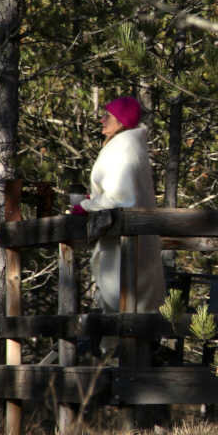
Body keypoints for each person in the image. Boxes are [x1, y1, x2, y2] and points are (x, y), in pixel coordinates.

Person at [71, 96, 165, 313]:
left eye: (108, 116)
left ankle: (120, 344)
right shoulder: (129, 146)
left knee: (124, 304)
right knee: (128, 305)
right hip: (133, 241)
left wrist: (86, 206)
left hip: (127, 243)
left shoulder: (122, 148)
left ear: (121, 122)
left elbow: (120, 198)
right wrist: (93, 201)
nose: (102, 120)